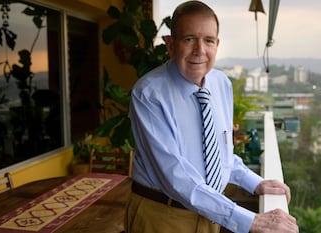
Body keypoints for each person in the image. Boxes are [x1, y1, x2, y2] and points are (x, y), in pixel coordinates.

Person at [125, 1, 299, 233]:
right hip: (163, 216)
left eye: (208, 40)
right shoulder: (149, 94)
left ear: (217, 44)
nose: (199, 50)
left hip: (210, 215)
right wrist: (251, 221)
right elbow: (174, 176)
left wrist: (255, 182)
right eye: (188, 39)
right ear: (170, 44)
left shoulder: (221, 84)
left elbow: (221, 153)